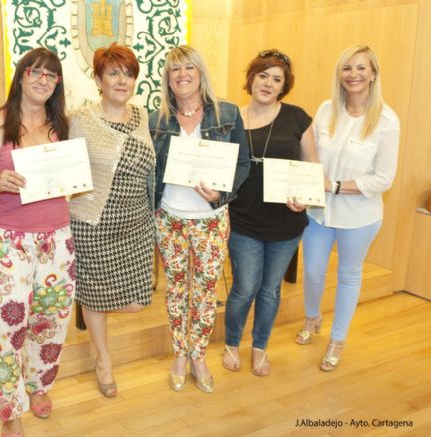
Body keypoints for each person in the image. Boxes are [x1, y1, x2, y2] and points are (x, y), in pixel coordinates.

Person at [0, 47, 74, 437]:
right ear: (22, 75)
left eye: (52, 75)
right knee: (6, 329)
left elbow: (71, 179)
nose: (44, 80)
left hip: (58, 239)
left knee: (51, 322)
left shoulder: (62, 124)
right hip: (8, 242)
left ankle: (38, 385)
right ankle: (10, 410)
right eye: (36, 72)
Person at [149, 45, 250, 393]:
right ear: (167, 78)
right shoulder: (156, 119)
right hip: (169, 218)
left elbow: (243, 164)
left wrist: (221, 195)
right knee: (177, 289)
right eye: (174, 70)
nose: (182, 75)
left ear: (200, 72)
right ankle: (179, 353)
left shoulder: (228, 114)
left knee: (205, 291)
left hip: (210, 218)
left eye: (188, 67)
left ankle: (199, 356)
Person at [296, 45, 399, 371]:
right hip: (319, 212)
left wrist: (336, 186)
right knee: (312, 271)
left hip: (360, 216)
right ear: (339, 75)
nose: (353, 75)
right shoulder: (327, 109)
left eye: (361, 68)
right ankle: (313, 318)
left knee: (349, 275)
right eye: (347, 68)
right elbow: (309, 148)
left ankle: (337, 340)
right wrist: (308, 179)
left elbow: (383, 178)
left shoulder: (386, 120)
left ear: (373, 75)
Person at [223, 49, 317, 376]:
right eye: (263, 75)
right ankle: (232, 343)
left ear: (283, 87)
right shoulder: (231, 118)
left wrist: (305, 197)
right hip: (243, 220)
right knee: (244, 287)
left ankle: (260, 346)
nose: (268, 83)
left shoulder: (297, 118)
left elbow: (312, 168)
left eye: (277, 79)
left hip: (286, 223)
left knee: (270, 289)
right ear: (251, 78)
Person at [68, 43, 155, 398]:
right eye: (114, 73)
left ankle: (91, 308)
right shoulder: (79, 120)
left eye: (129, 73)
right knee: (95, 294)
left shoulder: (144, 116)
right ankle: (103, 359)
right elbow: (67, 172)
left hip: (136, 224)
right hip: (93, 223)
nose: (122, 80)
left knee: (138, 300)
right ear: (99, 79)